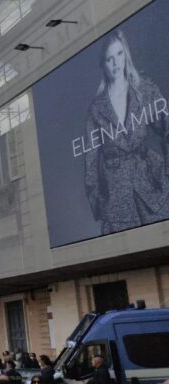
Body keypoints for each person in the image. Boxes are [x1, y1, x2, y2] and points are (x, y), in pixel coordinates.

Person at [85, 28, 169, 233]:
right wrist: (101, 203)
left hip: (152, 190)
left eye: (120, 54)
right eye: (109, 59)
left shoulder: (144, 89)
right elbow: (90, 163)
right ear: (102, 64)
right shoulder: (96, 109)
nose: (116, 63)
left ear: (126, 53)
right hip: (116, 202)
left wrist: (166, 176)